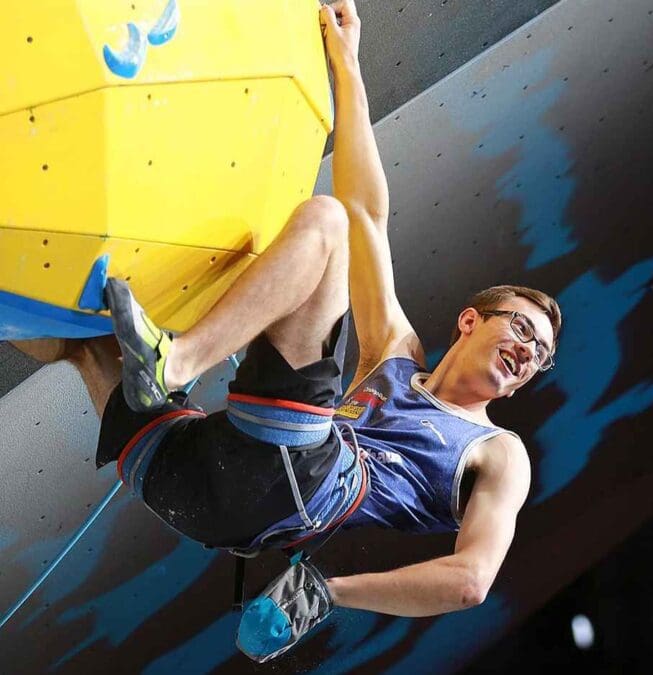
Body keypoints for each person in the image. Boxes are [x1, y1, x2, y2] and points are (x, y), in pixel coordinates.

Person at [95, 0, 561, 661]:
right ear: (470, 320)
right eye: (522, 328)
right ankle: (150, 364)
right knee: (79, 336)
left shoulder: (500, 453)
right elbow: (370, 211)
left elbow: (470, 580)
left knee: (326, 225)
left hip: (303, 488)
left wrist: (327, 592)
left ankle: (173, 364)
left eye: (539, 353)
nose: (527, 350)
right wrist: (346, 63)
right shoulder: (396, 353)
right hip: (210, 484)